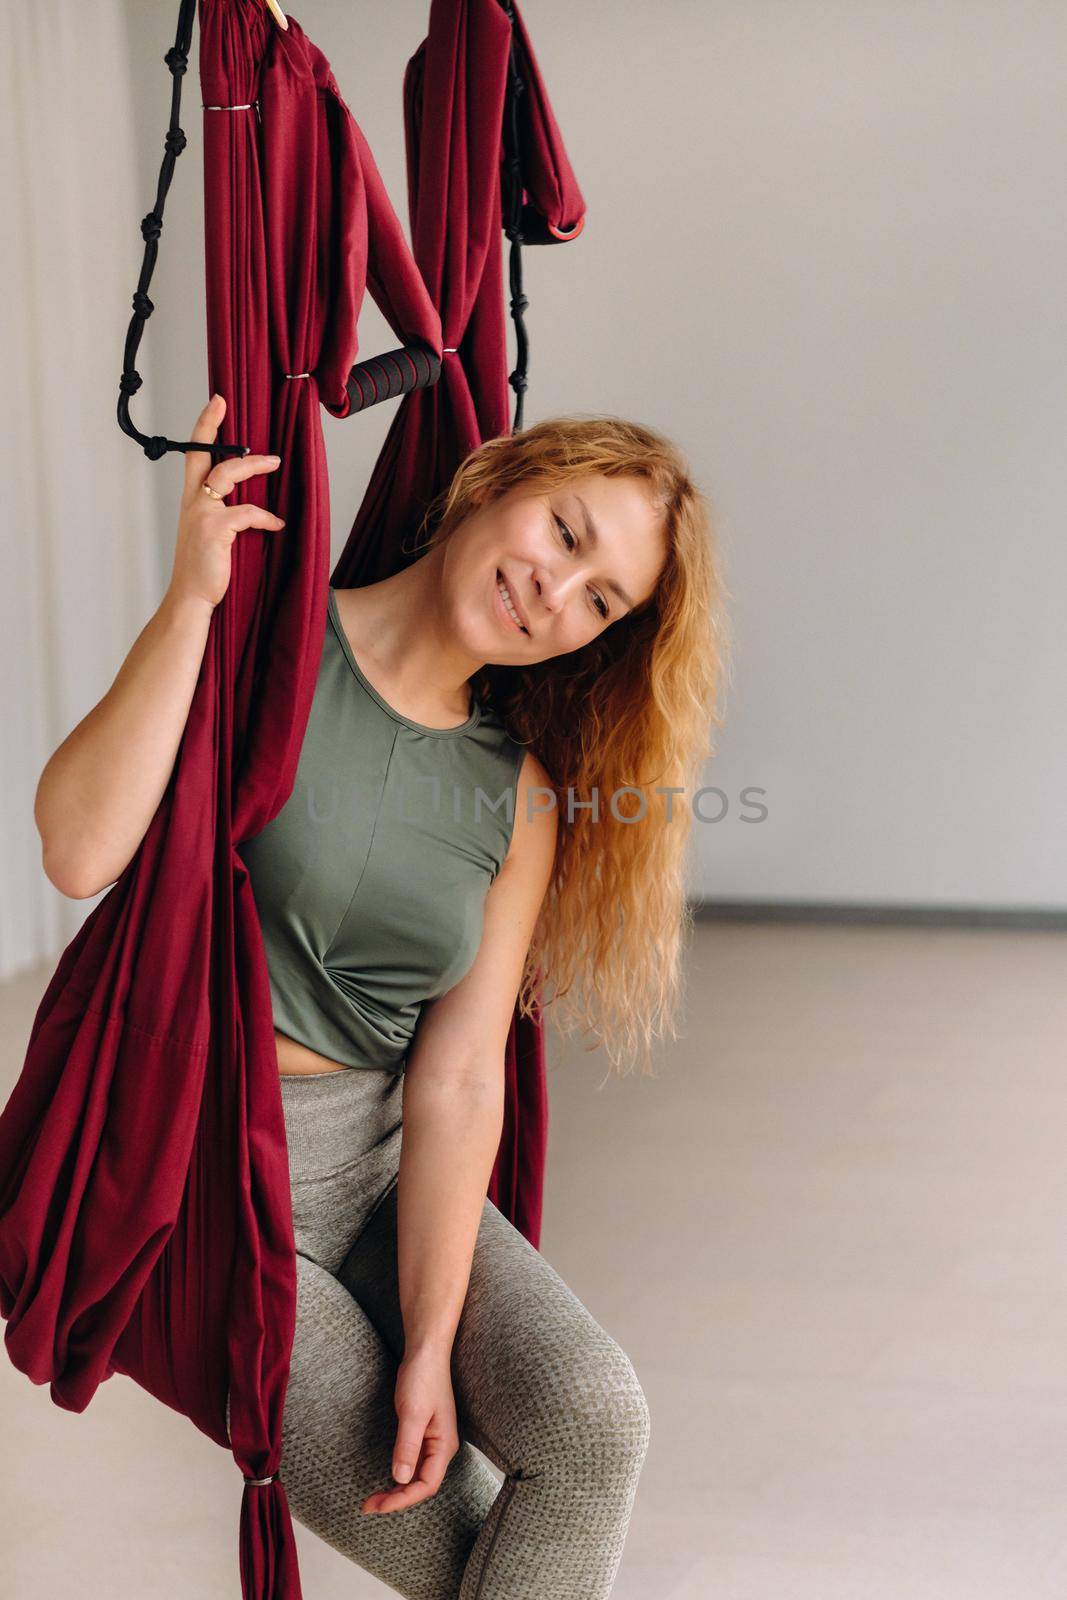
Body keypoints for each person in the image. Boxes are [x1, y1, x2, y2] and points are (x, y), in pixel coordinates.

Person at [33, 392, 729, 1599]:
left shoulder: (515, 800)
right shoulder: (263, 644)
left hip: (379, 1165)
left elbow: (460, 1078)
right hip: (202, 1175)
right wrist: (190, 600)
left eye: (599, 601)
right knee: (469, 1551)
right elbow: (78, 852)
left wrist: (429, 1336)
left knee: (592, 1420)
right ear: (494, 482)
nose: (553, 594)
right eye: (564, 536)